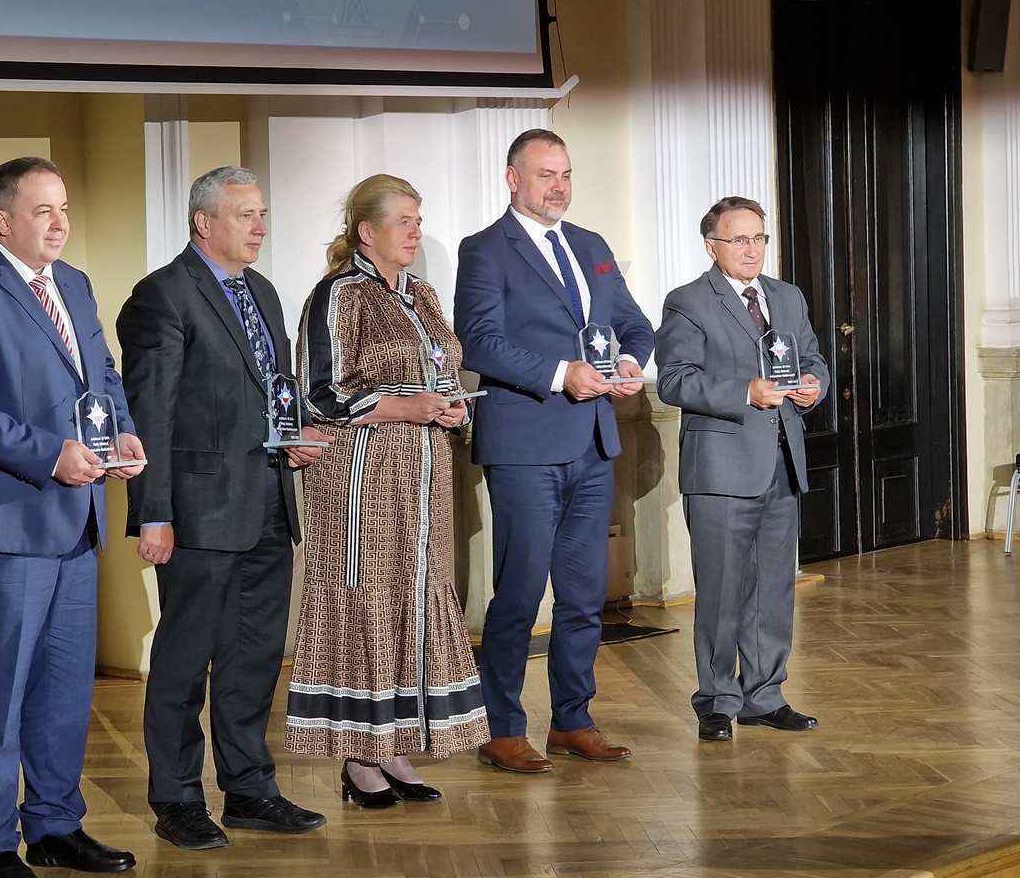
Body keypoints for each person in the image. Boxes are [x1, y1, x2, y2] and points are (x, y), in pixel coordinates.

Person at [0, 157, 146, 878]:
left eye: (65, 209)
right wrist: (50, 456)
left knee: (62, 692)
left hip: (76, 522)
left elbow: (101, 376)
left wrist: (122, 433)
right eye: (43, 210)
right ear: (2, 220)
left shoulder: (73, 284)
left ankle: (54, 824)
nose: (60, 223)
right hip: (1, 527)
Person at [117, 166, 330, 852]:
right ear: (203, 222)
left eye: (262, 213)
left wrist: (293, 435)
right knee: (184, 663)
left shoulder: (262, 291)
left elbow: (269, 390)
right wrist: (152, 513)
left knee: (254, 658)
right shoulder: (161, 296)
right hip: (198, 511)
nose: (260, 227)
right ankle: (178, 799)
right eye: (246, 215)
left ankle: (249, 790)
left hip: (268, 501)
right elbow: (150, 413)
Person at [453, 129, 655, 774]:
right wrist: (561, 372)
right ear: (513, 179)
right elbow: (478, 341)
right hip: (526, 444)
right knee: (519, 592)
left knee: (584, 593)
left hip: (593, 442)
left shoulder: (591, 246)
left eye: (565, 174)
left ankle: (573, 720)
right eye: (545, 175)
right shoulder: (485, 248)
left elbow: (635, 324)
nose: (559, 187)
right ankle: (501, 728)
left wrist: (630, 360)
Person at [285, 174, 490, 806]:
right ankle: (359, 758)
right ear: (366, 232)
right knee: (368, 599)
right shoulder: (338, 294)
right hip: (361, 475)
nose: (415, 232)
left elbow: (441, 372)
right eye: (403, 221)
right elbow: (320, 391)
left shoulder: (421, 292)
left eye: (418, 220)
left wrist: (450, 406)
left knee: (415, 598)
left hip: (425, 475)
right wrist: (405, 406)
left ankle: (394, 743)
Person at [655, 196, 828, 742]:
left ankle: (764, 697)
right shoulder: (688, 301)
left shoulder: (787, 296)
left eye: (759, 238)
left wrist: (815, 386)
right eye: (739, 240)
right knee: (723, 590)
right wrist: (744, 392)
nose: (751, 250)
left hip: (782, 463)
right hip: (721, 469)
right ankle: (716, 700)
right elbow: (674, 380)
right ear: (712, 247)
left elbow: (813, 359)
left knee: (774, 589)